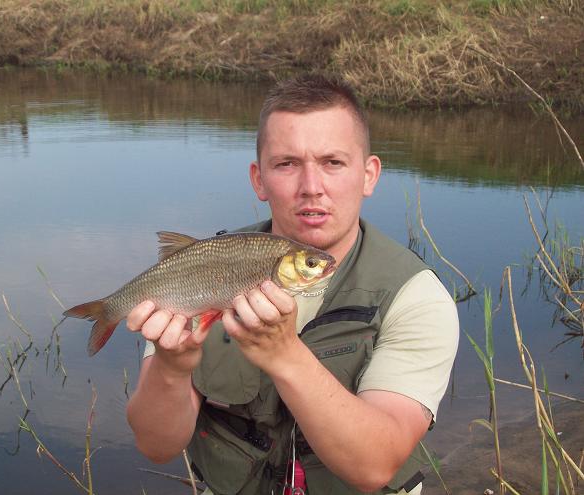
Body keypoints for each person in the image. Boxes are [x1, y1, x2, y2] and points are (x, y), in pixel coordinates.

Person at [126, 74, 459, 495]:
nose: (311, 188)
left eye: (332, 162)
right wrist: (171, 369)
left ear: (369, 175)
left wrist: (284, 354)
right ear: (259, 179)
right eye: (287, 164)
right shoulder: (206, 269)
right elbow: (156, 446)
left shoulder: (416, 297)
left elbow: (375, 466)